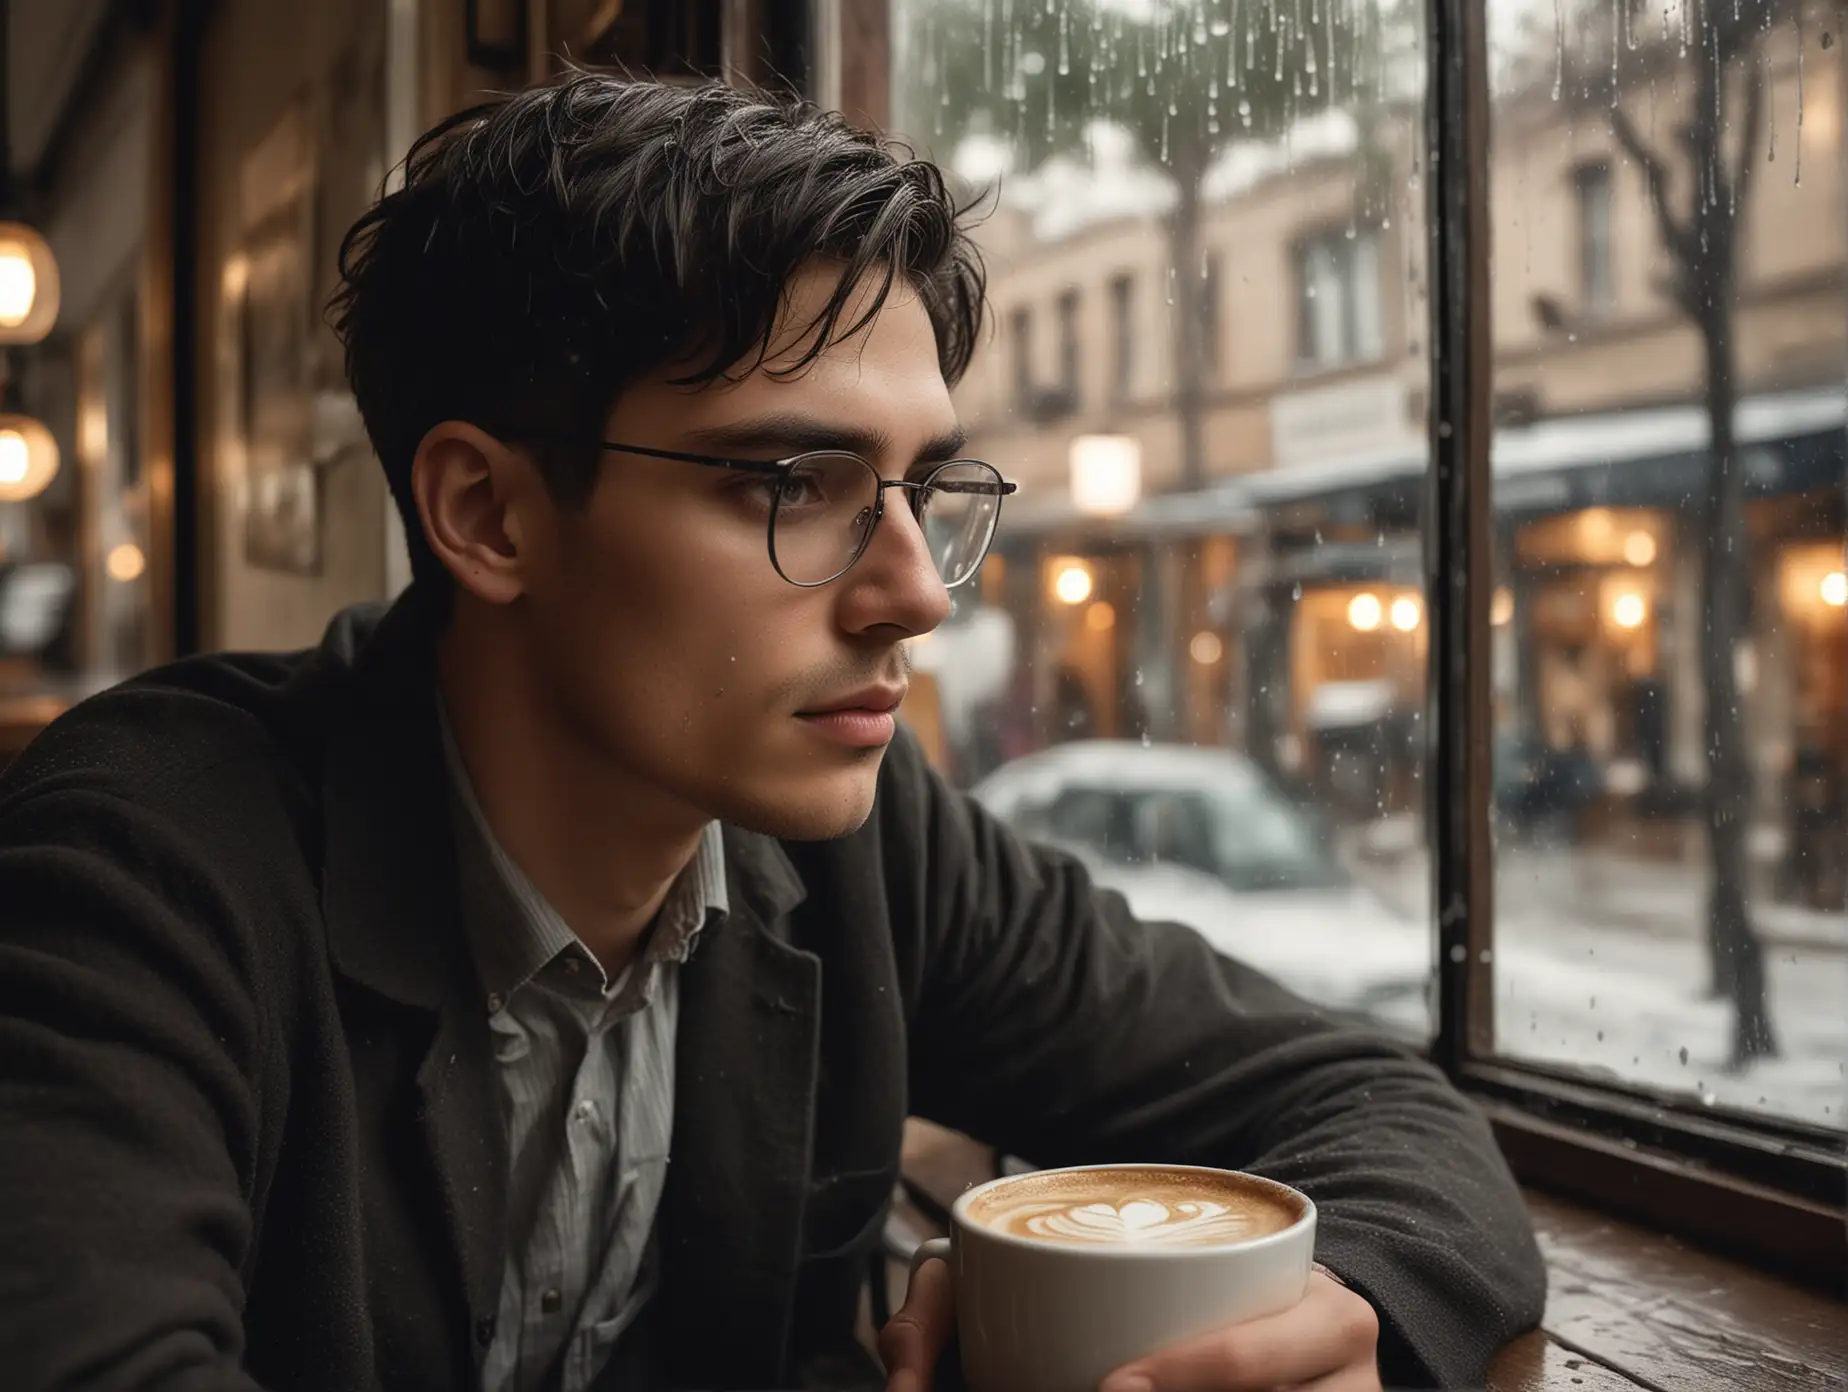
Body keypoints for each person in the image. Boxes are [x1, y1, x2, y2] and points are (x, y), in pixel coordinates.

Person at [0, 75, 1544, 1392]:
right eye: (791, 484)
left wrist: (1349, 1314)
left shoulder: (861, 847)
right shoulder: (142, 868)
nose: (910, 598)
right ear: (487, 512)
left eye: (921, 492)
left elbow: (1379, 1108)